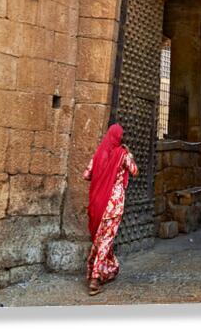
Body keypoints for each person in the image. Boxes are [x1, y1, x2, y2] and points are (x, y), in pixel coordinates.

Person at [82, 123, 138, 295]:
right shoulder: (123, 154)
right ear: (120, 138)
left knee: (99, 238)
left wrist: (102, 174)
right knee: (107, 239)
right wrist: (128, 155)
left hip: (98, 203)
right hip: (114, 204)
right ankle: (96, 277)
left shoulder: (99, 153)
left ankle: (105, 269)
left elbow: (86, 175)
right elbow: (134, 171)